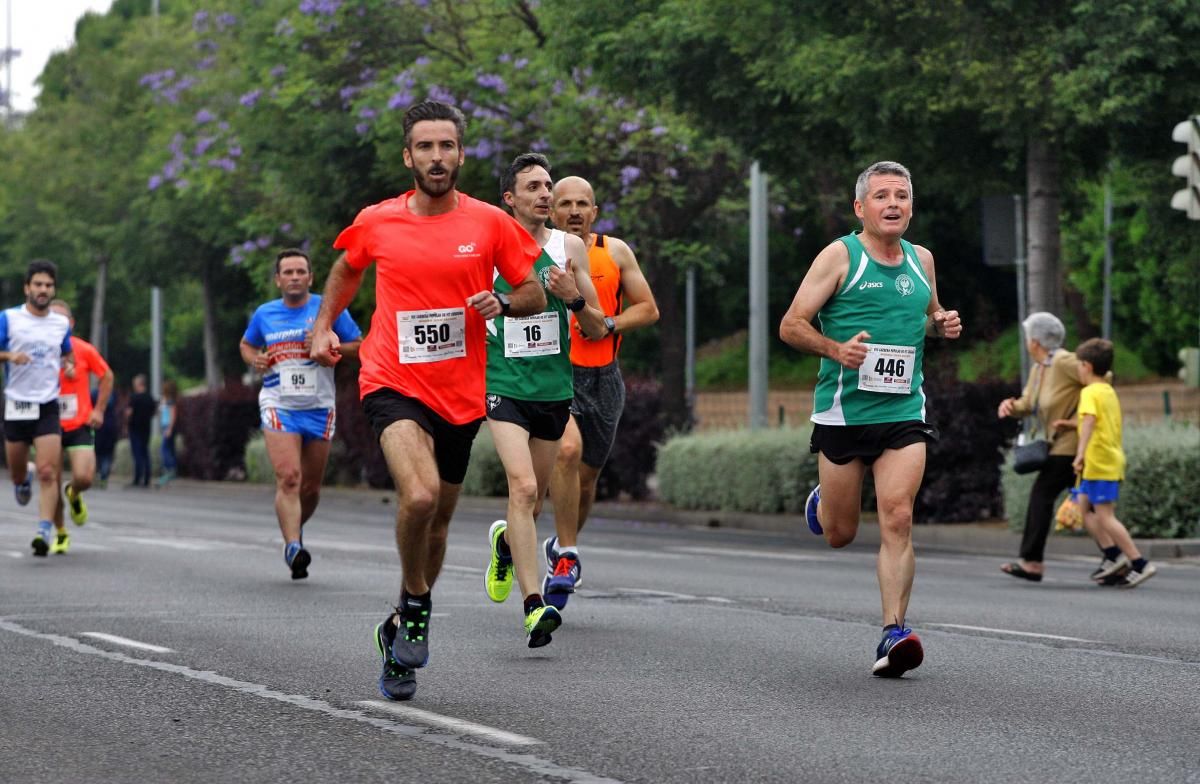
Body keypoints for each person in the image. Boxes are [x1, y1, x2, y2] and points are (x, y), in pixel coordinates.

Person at [310, 100, 544, 701]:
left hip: (462, 395)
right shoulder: (378, 221)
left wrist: (504, 304)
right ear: (407, 156)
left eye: (447, 147)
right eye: (425, 147)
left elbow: (533, 291)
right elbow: (345, 269)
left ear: (460, 153)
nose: (437, 158)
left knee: (438, 522)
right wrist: (321, 326)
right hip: (392, 381)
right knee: (416, 495)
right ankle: (416, 603)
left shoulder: (491, 223)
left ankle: (400, 627)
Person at [778, 161, 962, 678]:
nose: (893, 204)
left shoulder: (921, 259)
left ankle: (893, 631)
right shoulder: (840, 256)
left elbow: (925, 318)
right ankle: (825, 500)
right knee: (840, 534)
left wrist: (941, 324)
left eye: (901, 195)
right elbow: (791, 325)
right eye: (881, 196)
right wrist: (836, 349)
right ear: (861, 207)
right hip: (843, 414)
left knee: (898, 515)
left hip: (903, 410)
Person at [483, 153, 606, 647]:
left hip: (554, 389)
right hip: (503, 383)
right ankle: (534, 607)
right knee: (524, 490)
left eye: (547, 185)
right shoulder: (489, 248)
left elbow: (596, 327)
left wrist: (574, 296)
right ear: (510, 198)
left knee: (530, 505)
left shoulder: (569, 246)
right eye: (532, 186)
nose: (544, 193)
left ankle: (506, 545)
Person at [541, 175, 659, 609]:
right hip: (559, 373)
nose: (574, 211)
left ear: (594, 211)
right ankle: (567, 558)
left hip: (604, 377)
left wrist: (609, 323)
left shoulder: (615, 251)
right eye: (565, 203)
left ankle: (560, 545)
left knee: (586, 482)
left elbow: (648, 309)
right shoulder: (541, 252)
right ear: (551, 211)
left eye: (582, 204)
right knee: (566, 453)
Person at [241, 248, 363, 579]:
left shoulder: (328, 308)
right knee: (289, 477)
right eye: (288, 272)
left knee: (310, 489)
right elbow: (247, 344)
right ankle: (293, 546)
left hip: (320, 406)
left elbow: (361, 347)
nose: (294, 277)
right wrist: (255, 359)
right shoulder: (265, 314)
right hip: (279, 403)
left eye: (300, 272)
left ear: (310, 277)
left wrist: (330, 343)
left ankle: (293, 530)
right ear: (278, 279)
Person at [996, 313, 1119, 582]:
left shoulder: (1063, 361)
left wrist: (1077, 420)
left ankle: (1032, 562)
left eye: (1028, 335)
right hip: (1057, 445)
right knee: (1089, 504)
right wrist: (1012, 407)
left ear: (1036, 341)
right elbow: (1029, 403)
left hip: (1073, 445)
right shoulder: (1039, 368)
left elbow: (1101, 377)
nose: (1027, 340)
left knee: (1044, 495)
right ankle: (1115, 557)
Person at [1060, 338, 1156, 588]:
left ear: (1087, 366)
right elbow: (1098, 422)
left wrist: (1079, 453)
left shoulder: (1089, 392)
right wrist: (1070, 425)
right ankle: (1113, 556)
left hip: (1099, 462)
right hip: (1102, 462)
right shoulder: (1107, 390)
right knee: (1083, 508)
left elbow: (1090, 421)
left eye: (1079, 365)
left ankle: (1139, 562)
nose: (1078, 370)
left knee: (1104, 516)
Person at [0, 260, 74, 557]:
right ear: (27, 288)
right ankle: (22, 480)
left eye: (48, 285)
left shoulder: (59, 323)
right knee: (18, 472)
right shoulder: (9, 318)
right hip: (17, 404)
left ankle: (44, 529)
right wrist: (9, 356)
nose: (43, 290)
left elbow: (67, 353)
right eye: (38, 285)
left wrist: (69, 365)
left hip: (47, 405)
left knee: (48, 471)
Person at [50, 299, 115, 544]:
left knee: (85, 477)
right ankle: (60, 533)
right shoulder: (40, 350)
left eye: (61, 319)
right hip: (49, 424)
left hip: (79, 424)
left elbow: (107, 376)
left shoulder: (83, 349)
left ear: (71, 323)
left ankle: (74, 492)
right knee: (51, 483)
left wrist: (99, 410)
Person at [125, 374, 156, 488]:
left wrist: (127, 421)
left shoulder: (134, 397)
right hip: (146, 428)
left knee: (137, 454)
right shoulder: (150, 397)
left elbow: (129, 413)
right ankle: (147, 478)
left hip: (135, 428)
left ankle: (137, 478)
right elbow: (154, 412)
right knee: (145, 453)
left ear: (139, 384)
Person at [93, 388, 119, 487]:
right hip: (110, 427)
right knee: (107, 455)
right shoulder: (112, 394)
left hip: (98, 426)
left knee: (97, 453)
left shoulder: (95, 393)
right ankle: (104, 477)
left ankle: (98, 475)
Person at [157, 379, 178, 486]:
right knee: (170, 448)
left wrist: (170, 428)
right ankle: (170, 469)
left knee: (164, 448)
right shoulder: (165, 401)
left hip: (168, 426)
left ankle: (170, 468)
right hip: (165, 425)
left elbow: (173, 415)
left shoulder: (171, 402)